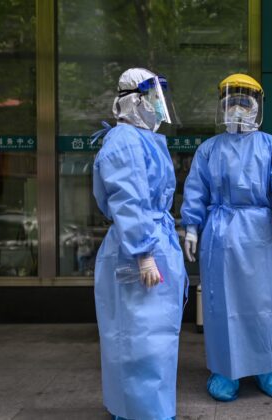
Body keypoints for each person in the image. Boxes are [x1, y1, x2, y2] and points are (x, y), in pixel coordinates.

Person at [180, 73, 272, 402]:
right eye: (231, 102)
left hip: (259, 234)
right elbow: (196, 190)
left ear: (257, 106)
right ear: (221, 106)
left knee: (265, 304)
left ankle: (269, 369)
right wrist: (191, 226)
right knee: (221, 305)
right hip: (220, 234)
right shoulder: (209, 150)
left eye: (244, 102)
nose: (237, 108)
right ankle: (224, 371)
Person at [92, 67, 187, 420]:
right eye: (150, 98)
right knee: (139, 337)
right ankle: (139, 411)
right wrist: (144, 252)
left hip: (151, 241)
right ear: (132, 100)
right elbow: (127, 200)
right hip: (138, 248)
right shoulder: (124, 140)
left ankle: (146, 409)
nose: (157, 106)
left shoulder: (144, 140)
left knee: (154, 336)